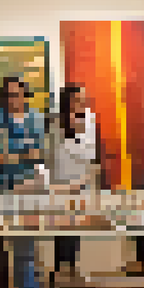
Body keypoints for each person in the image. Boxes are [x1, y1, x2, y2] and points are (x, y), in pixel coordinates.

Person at [0, 77, 46, 288]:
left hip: (27, 185)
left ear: (25, 95)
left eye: (17, 95)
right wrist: (26, 151)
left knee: (26, 239)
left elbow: (40, 154)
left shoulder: (36, 117)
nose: (13, 100)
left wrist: (13, 151)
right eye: (8, 96)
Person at [48, 84, 100, 274]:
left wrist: (77, 135)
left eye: (83, 99)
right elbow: (52, 155)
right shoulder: (55, 123)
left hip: (80, 185)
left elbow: (91, 154)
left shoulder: (89, 120)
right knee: (60, 233)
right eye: (77, 100)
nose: (81, 103)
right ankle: (60, 273)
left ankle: (70, 272)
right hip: (59, 186)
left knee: (74, 231)